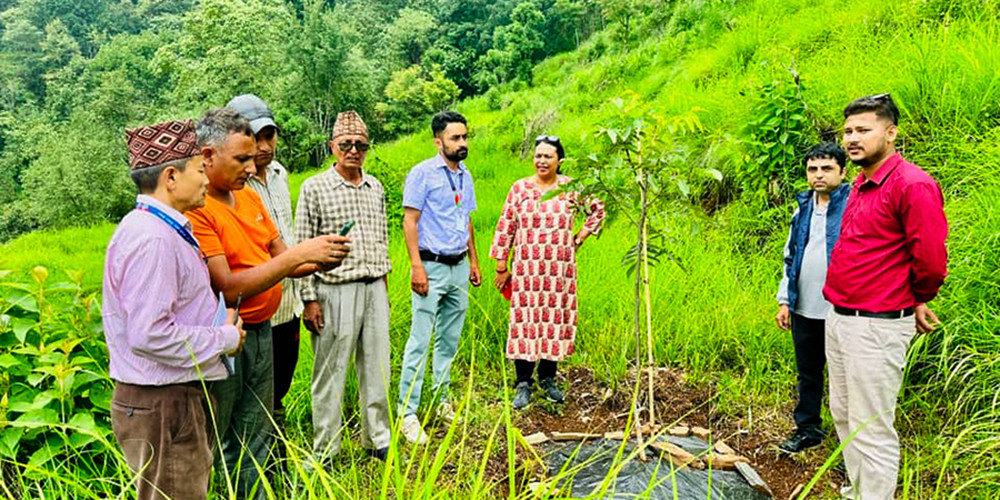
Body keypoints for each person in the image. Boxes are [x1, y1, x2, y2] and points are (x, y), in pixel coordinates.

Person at [186, 108, 350, 499]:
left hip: (263, 330)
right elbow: (227, 286)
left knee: (257, 428)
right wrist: (295, 259)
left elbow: (281, 255)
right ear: (208, 156)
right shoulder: (199, 208)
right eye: (241, 158)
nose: (251, 164)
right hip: (224, 338)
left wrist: (320, 255)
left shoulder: (248, 197)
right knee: (222, 435)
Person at [104, 119, 246, 500]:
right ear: (170, 176)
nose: (205, 180)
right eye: (200, 170)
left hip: (170, 399)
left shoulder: (157, 229)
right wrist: (224, 338)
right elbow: (149, 333)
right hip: (163, 402)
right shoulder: (153, 239)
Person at [824, 93, 948, 499]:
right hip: (840, 318)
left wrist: (915, 297)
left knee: (871, 424)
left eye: (863, 130)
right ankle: (860, 491)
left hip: (876, 326)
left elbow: (930, 260)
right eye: (847, 131)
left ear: (890, 133)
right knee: (844, 415)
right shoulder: (860, 183)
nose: (852, 139)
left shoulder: (913, 185)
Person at [296, 111, 393, 462]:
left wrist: (383, 288)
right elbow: (303, 242)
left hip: (374, 287)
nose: (354, 151)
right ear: (332, 146)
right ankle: (326, 449)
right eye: (346, 144)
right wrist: (309, 299)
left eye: (361, 145)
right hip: (334, 290)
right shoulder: (315, 187)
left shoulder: (375, 186)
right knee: (330, 373)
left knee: (377, 367)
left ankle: (378, 439)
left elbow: (381, 240)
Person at [489, 136, 605, 409]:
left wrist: (581, 236)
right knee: (525, 323)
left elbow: (598, 209)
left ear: (559, 161)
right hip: (527, 271)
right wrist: (501, 266)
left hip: (559, 272)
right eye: (538, 155)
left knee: (554, 322)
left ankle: (548, 379)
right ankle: (523, 383)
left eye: (547, 156)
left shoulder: (572, 189)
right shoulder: (519, 189)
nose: (541, 161)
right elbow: (506, 226)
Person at [398, 110, 482, 444]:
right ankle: (408, 412)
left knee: (449, 338)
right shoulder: (422, 174)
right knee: (420, 340)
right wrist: (416, 267)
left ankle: (441, 399)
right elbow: (409, 222)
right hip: (430, 267)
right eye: (455, 138)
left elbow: (467, 220)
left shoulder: (465, 175)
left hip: (458, 266)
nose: (462, 143)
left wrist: (474, 262)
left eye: (465, 137)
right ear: (438, 141)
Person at [226, 94, 302, 419]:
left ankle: (277, 454)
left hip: (289, 304)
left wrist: (307, 298)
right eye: (254, 138)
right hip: (254, 312)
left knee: (280, 385)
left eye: (268, 136)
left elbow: (287, 235)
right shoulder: (231, 188)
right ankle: (264, 461)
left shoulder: (280, 175)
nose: (263, 146)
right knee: (255, 396)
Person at [774, 142, 849, 453]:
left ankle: (852, 443)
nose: (819, 175)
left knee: (847, 377)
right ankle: (808, 430)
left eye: (827, 168)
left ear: (843, 172)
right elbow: (790, 255)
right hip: (804, 305)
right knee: (808, 372)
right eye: (813, 169)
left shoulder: (854, 204)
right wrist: (784, 300)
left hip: (842, 309)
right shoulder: (803, 206)